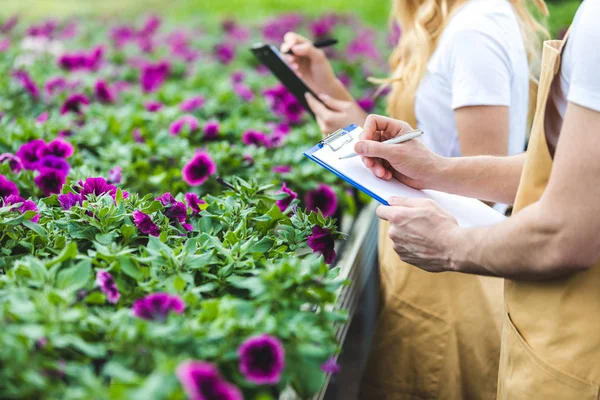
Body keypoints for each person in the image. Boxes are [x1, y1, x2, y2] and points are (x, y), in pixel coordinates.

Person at [281, 0, 547, 398]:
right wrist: (328, 88)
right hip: (429, 261)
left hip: (450, 276)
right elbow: (430, 155)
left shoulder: (476, 26)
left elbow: (482, 191)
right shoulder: (464, 19)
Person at [354, 1, 600, 397]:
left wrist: (446, 246)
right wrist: (434, 168)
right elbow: (565, 171)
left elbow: (565, 233)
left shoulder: (478, 27)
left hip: (569, 336)